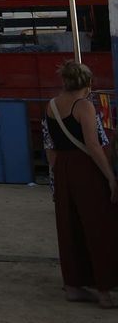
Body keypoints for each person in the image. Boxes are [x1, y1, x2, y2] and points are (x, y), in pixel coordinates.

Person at [42, 60, 118, 308]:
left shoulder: (51, 106)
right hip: (85, 169)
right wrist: (110, 176)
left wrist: (55, 180)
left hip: (62, 169)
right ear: (87, 83)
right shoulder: (84, 105)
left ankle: (73, 285)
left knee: (69, 226)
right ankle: (104, 290)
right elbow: (93, 146)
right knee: (98, 226)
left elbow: (49, 147)